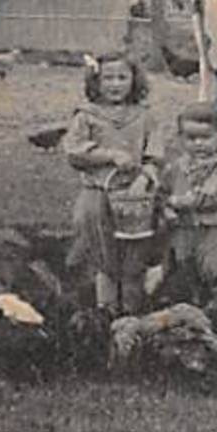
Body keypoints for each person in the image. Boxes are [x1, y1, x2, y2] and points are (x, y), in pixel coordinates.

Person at [61, 50, 164, 315]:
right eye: (108, 78)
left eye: (122, 77)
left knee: (134, 260)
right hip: (98, 194)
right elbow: (73, 151)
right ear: (96, 81)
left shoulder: (145, 115)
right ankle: (104, 312)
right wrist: (109, 154)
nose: (115, 84)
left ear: (134, 80)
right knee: (102, 258)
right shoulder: (87, 116)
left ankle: (131, 314)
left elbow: (156, 155)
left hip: (135, 197)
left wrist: (144, 178)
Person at [158, 101, 217, 319]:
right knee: (183, 261)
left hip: (211, 227)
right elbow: (162, 190)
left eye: (205, 138)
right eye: (191, 138)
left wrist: (180, 201)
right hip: (183, 228)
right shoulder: (178, 166)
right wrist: (165, 207)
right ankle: (184, 298)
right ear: (180, 138)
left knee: (215, 261)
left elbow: (211, 196)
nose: (198, 144)